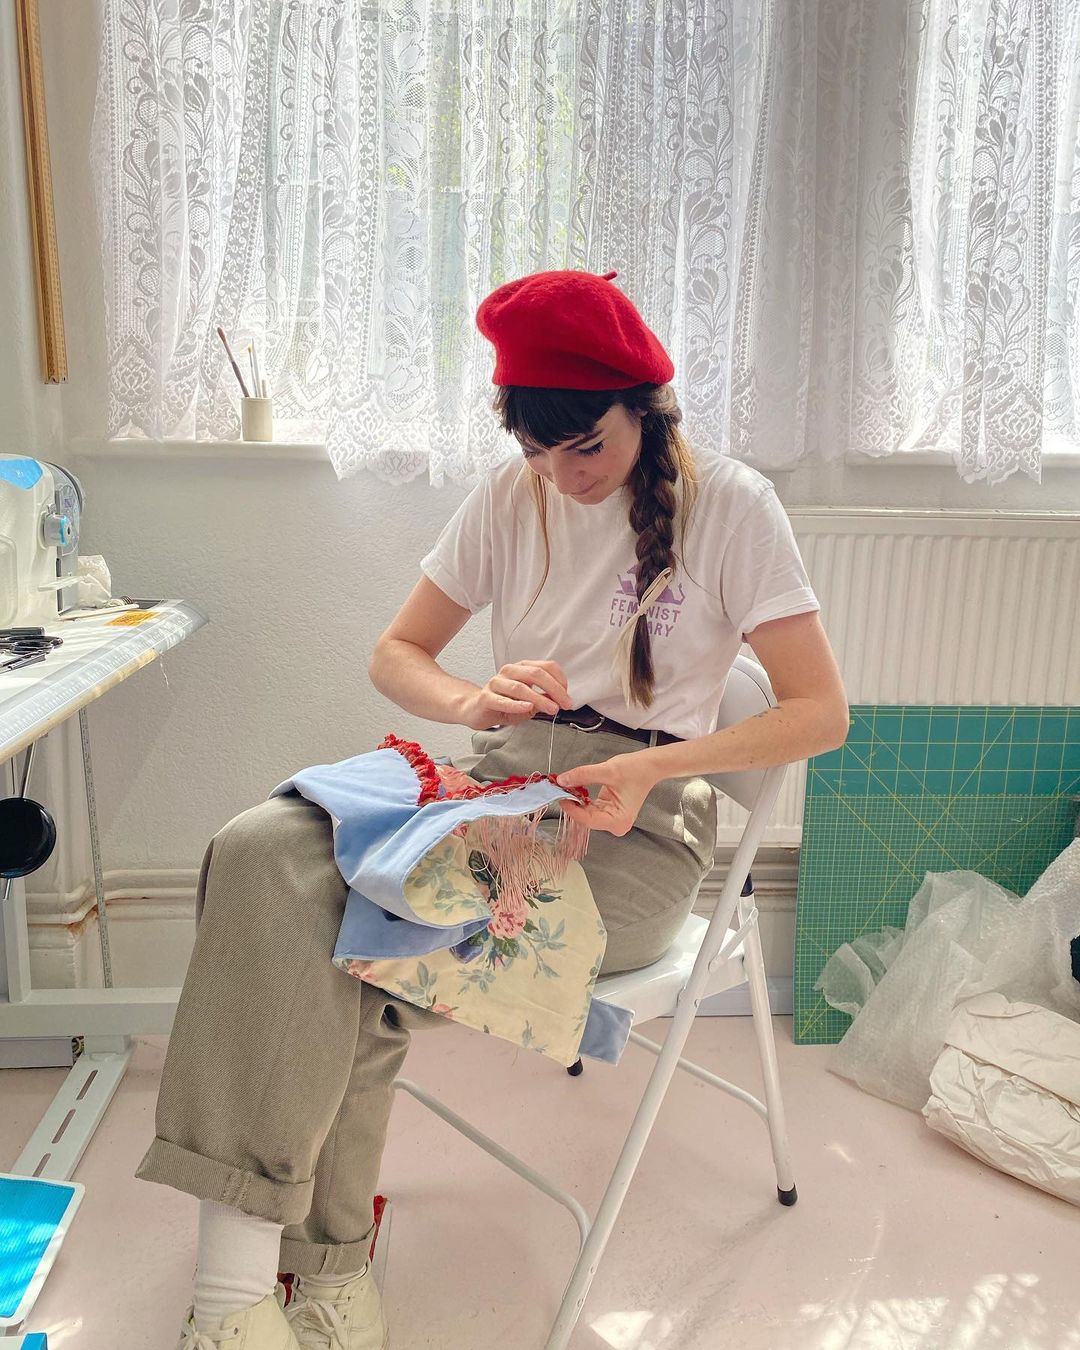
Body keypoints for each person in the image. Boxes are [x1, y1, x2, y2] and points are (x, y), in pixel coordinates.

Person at [140, 268, 849, 1350]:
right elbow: (397, 652)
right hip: (497, 780)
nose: (563, 477)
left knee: (356, 954)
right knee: (258, 850)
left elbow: (820, 713)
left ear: (646, 411)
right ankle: (255, 1289)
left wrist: (659, 768)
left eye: (586, 448)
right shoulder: (510, 495)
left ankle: (281, 1283)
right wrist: (474, 699)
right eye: (536, 451)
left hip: (635, 824)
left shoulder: (733, 506)